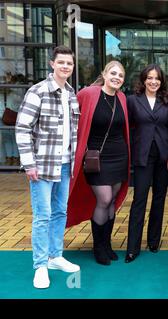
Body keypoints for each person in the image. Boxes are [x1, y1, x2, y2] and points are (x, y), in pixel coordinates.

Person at [15, 46, 80, 289]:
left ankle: (55, 256)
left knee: (60, 213)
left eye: (69, 63)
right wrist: (29, 163)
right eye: (61, 62)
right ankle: (40, 266)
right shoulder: (38, 91)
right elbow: (22, 128)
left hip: (64, 165)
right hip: (42, 167)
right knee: (42, 216)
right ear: (52, 64)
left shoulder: (71, 93)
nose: (65, 66)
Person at [67, 61, 130, 266]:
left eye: (120, 75)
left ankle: (107, 244)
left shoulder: (121, 97)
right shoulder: (88, 93)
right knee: (104, 199)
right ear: (104, 73)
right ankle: (98, 247)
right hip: (96, 157)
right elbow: (72, 118)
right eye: (113, 73)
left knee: (112, 201)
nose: (117, 77)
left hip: (119, 156)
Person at [124, 64, 168, 263]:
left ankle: (154, 241)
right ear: (143, 80)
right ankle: (132, 248)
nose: (153, 81)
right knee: (139, 200)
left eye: (157, 78)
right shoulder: (132, 100)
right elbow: (127, 127)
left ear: (161, 81)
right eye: (150, 78)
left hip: (163, 156)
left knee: (159, 199)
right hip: (142, 155)